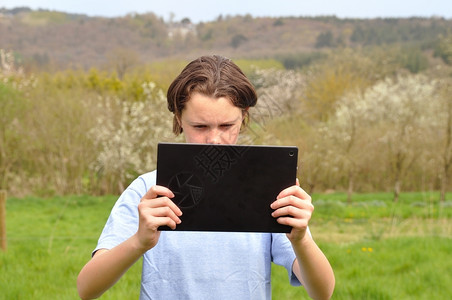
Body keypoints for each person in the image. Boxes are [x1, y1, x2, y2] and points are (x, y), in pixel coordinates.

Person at [77, 55, 335, 300]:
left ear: (243, 118)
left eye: (226, 126)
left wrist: (300, 239)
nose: (214, 139)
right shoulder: (149, 191)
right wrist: (139, 241)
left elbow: (322, 292)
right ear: (178, 119)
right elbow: (87, 288)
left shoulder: (268, 190)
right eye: (200, 126)